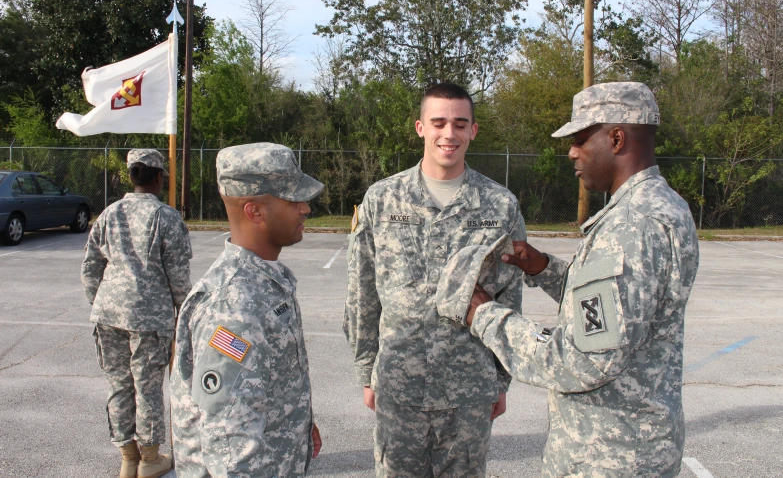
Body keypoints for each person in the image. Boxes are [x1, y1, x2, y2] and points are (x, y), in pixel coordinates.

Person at [439, 82, 700, 477]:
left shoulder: (632, 227)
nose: (571, 152)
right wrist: (545, 269)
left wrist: (484, 315)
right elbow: (617, 312)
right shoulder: (663, 207)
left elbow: (580, 360)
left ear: (616, 138)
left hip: (607, 458)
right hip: (635, 447)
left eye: (579, 139)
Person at [344, 83, 527, 477]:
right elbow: (362, 294)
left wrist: (501, 378)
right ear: (420, 127)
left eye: (460, 124)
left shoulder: (500, 204)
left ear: (473, 131)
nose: (449, 134)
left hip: (469, 388)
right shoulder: (382, 199)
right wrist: (366, 371)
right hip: (399, 384)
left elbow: (509, 297)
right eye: (439, 122)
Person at [170, 142, 324, 477]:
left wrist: (298, 424)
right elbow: (230, 449)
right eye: (293, 199)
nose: (305, 209)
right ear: (254, 211)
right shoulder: (233, 306)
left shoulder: (263, 279)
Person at [82, 148, 192, 478]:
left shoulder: (109, 214)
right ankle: (149, 458)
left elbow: (90, 268)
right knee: (147, 387)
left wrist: (101, 301)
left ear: (131, 176)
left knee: (119, 384)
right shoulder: (167, 218)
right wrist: (183, 315)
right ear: (159, 178)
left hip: (108, 313)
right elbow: (179, 277)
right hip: (149, 316)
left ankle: (127, 457)